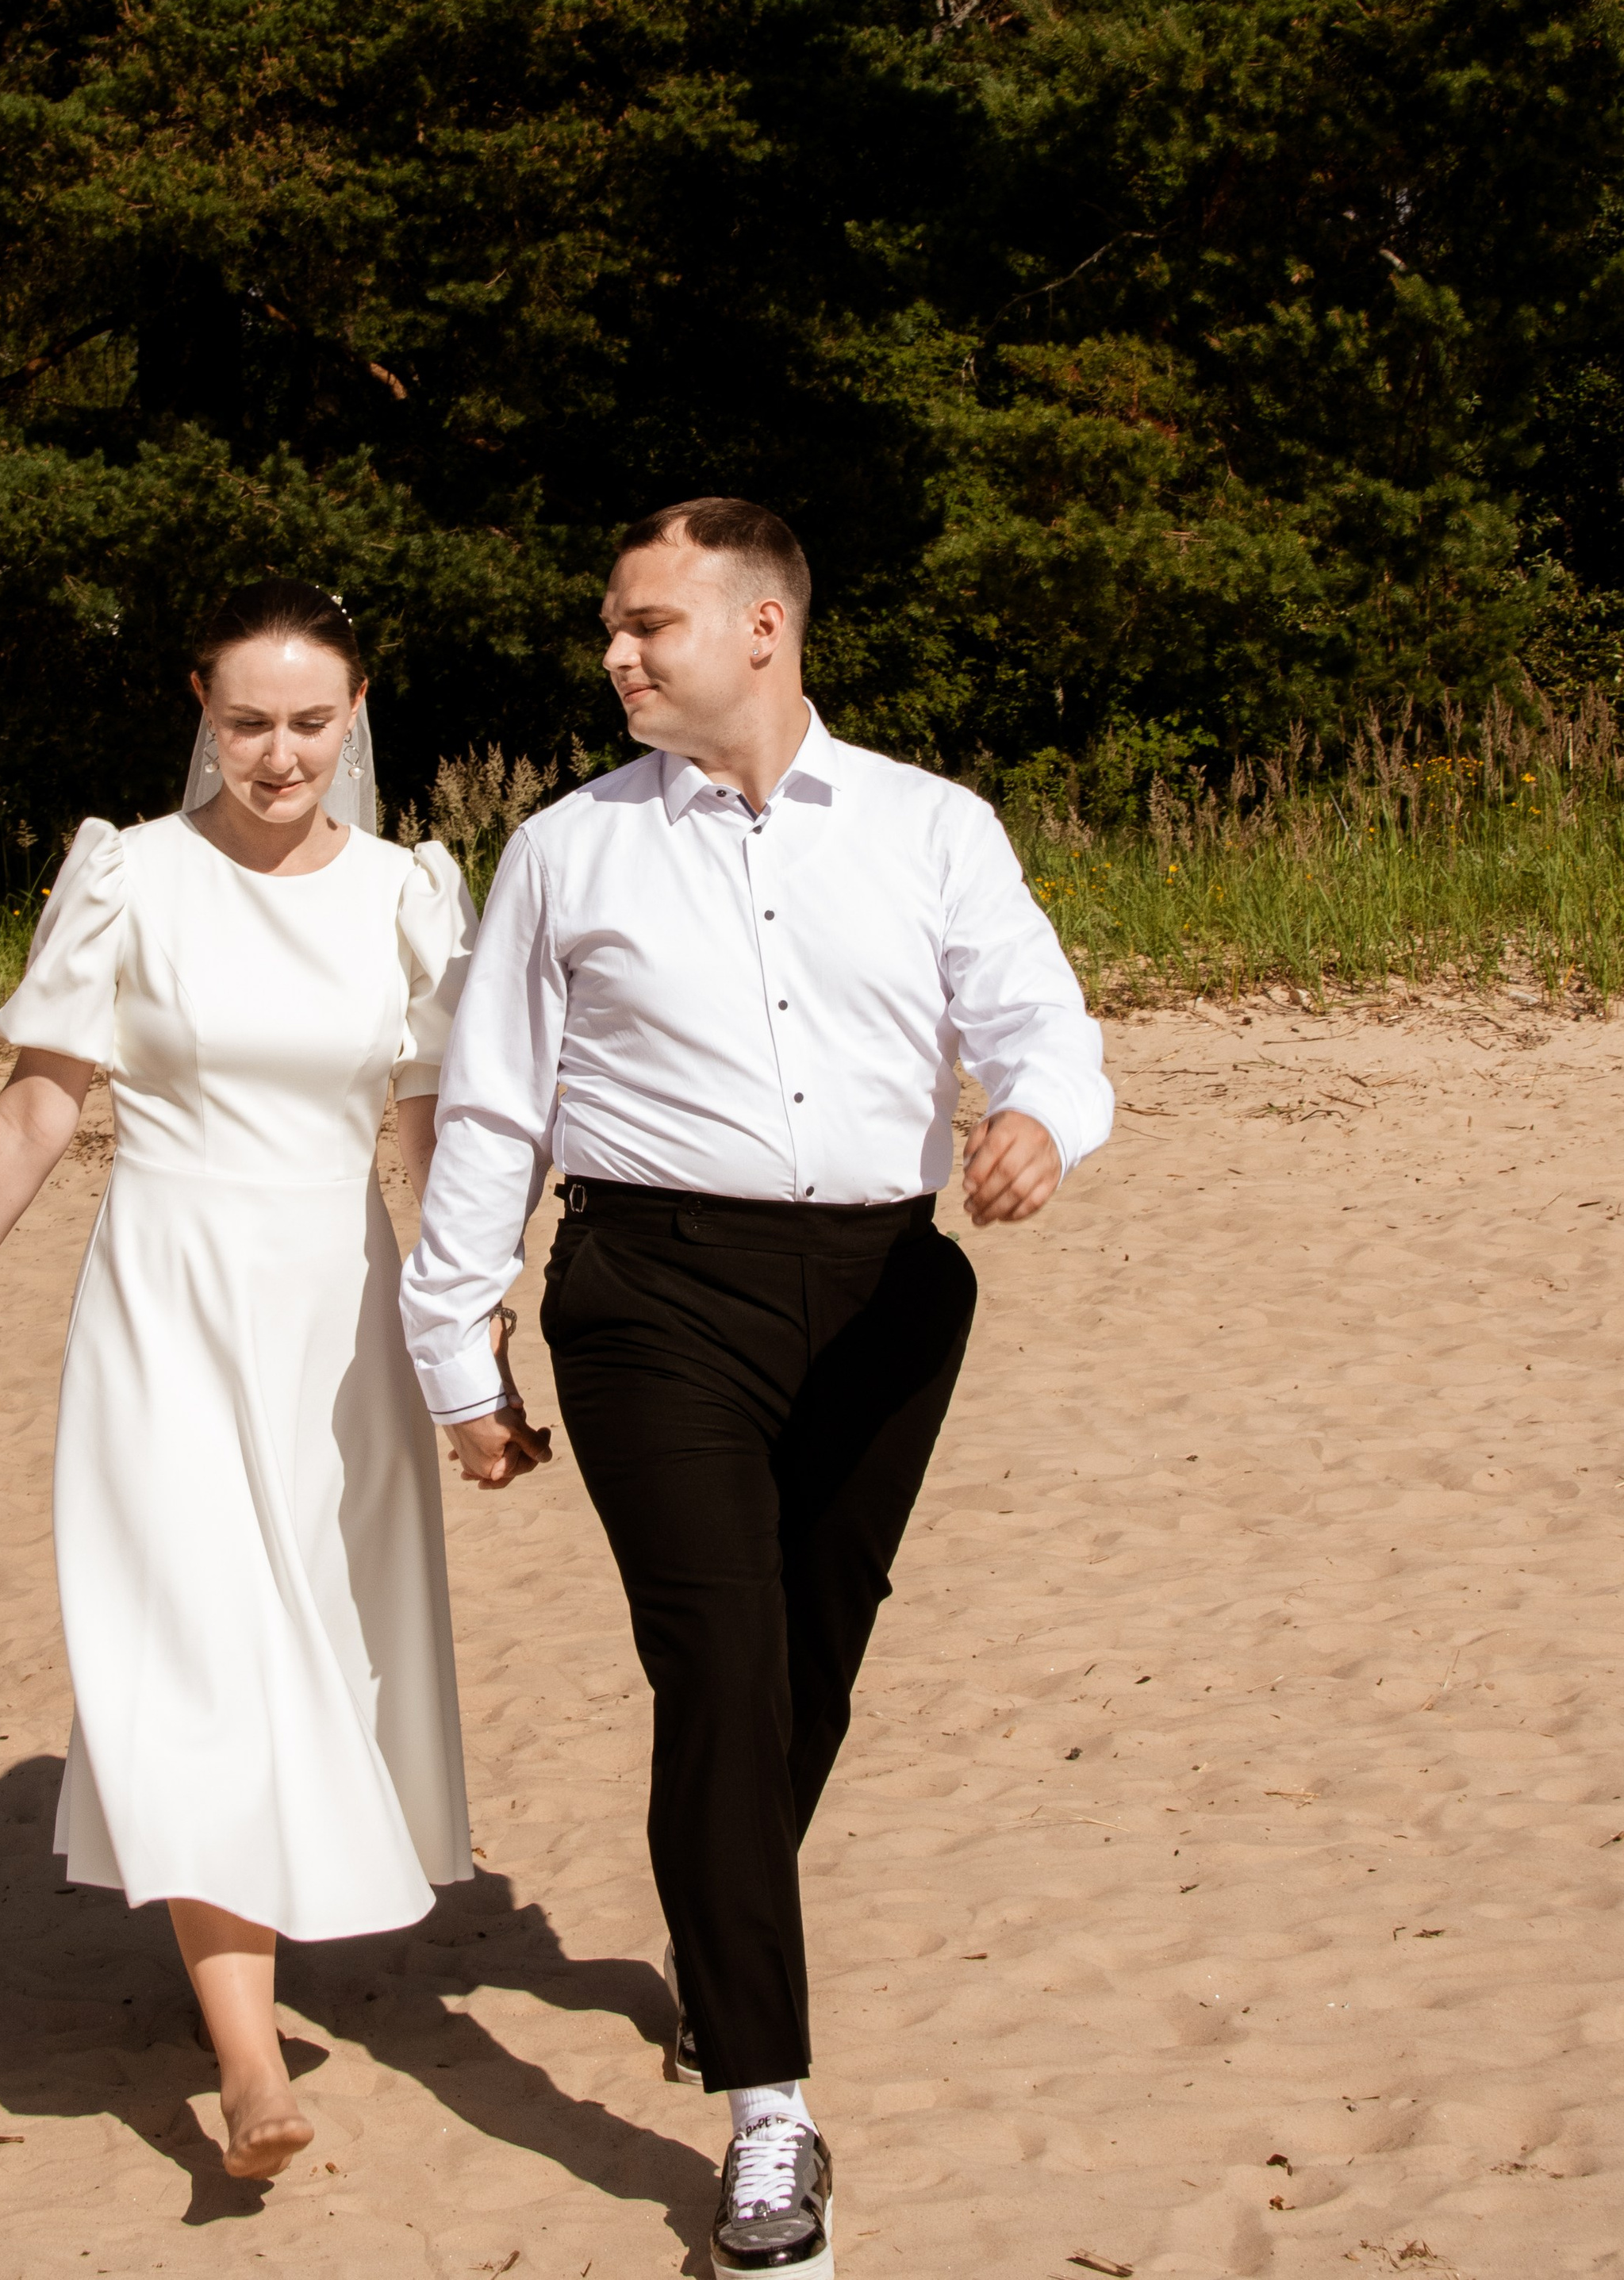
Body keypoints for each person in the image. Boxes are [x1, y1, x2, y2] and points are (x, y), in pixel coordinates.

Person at [400, 498, 1112, 2275]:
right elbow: (493, 1106)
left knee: (807, 1663)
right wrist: (453, 1346)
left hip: (883, 1289)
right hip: (649, 1292)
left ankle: (722, 1938)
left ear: (763, 628)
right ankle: (766, 2107)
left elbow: (1040, 1023)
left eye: (645, 622)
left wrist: (1034, 1122)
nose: (616, 653)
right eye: (611, 628)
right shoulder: (565, 849)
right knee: (716, 1664)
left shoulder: (930, 825)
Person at [0, 578, 518, 2181]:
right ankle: (243, 2057)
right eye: (244, 722)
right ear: (198, 711)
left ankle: (255, 1964)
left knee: (311, 1637)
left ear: (352, 717)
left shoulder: (413, 893)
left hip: (337, 1307)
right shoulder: (129, 876)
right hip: (163, 1297)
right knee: (202, 1641)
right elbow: (37, 1104)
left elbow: (431, 1139)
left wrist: (466, 1345)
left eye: (307, 723)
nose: (276, 755)